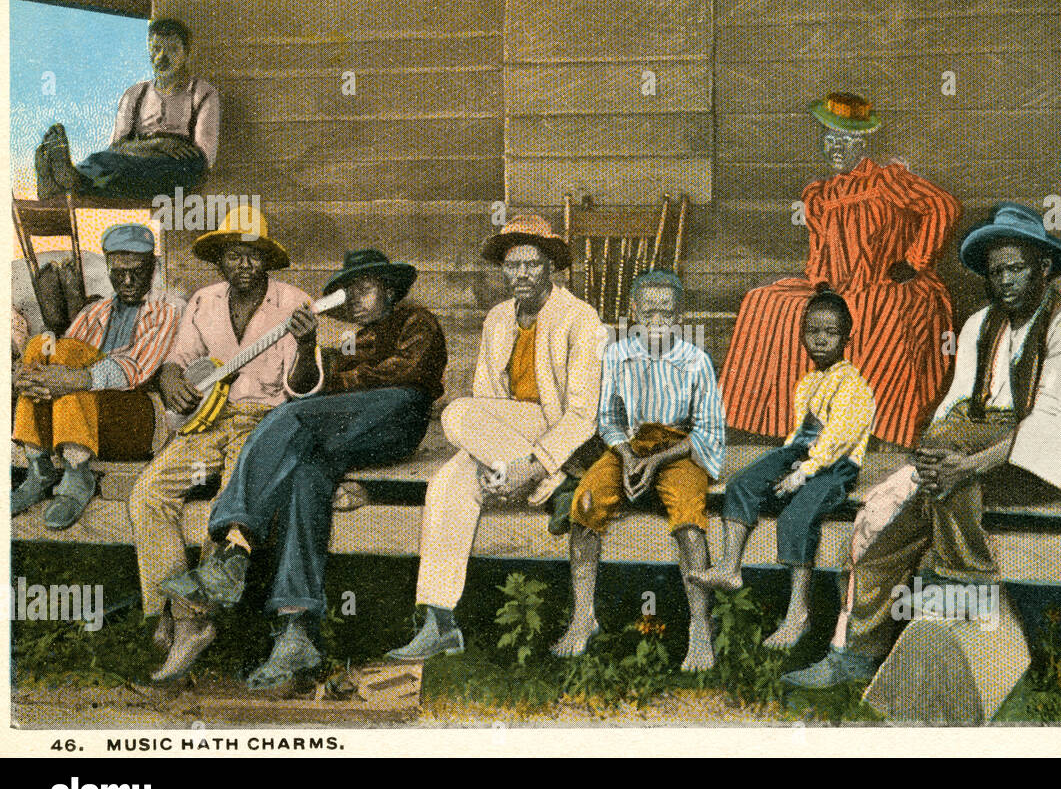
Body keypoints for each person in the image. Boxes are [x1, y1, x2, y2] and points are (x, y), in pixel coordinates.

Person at [783, 203, 1061, 689]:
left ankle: (965, 575)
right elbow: (953, 406)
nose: (1005, 281)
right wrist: (934, 459)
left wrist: (963, 463)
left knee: (944, 465)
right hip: (962, 456)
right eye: (996, 271)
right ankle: (855, 654)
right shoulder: (980, 323)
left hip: (1031, 460)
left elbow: (1048, 420)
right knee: (880, 522)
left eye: (1017, 269)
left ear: (1043, 268)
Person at [157, 249, 446, 690]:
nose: (354, 300)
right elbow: (309, 385)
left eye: (363, 288)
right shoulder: (351, 341)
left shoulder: (416, 320)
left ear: (388, 288)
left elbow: (413, 372)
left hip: (400, 416)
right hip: (353, 431)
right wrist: (309, 347)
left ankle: (234, 546)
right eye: (347, 293)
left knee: (286, 419)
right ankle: (296, 630)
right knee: (305, 474)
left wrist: (336, 385)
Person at [386, 214, 605, 662]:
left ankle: (550, 476)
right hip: (508, 440)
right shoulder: (498, 319)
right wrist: (501, 463)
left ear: (551, 268)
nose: (520, 274)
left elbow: (583, 415)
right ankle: (440, 621)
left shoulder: (581, 319)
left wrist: (531, 465)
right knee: (448, 482)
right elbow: (489, 401)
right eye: (511, 266)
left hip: (564, 438)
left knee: (456, 412)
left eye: (531, 264)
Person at [128, 206, 310, 683]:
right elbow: (178, 359)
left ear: (266, 259)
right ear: (221, 261)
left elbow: (304, 389)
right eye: (234, 255)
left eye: (253, 255)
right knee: (147, 494)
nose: (243, 265)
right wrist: (169, 379)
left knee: (230, 503)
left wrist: (308, 347)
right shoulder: (204, 301)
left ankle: (194, 619)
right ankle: (178, 612)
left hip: (264, 423)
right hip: (207, 419)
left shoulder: (295, 302)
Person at [719, 91, 959, 450]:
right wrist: (821, 282)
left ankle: (874, 428)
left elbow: (944, 206)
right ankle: (767, 422)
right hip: (841, 285)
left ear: (862, 143)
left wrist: (914, 261)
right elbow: (819, 250)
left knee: (876, 313)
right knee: (765, 302)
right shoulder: (821, 193)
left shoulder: (888, 180)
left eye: (844, 140)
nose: (835, 148)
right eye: (829, 139)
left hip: (890, 284)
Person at [552, 270, 726, 671]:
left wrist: (658, 460)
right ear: (633, 312)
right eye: (649, 311)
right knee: (587, 501)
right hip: (631, 447)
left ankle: (701, 626)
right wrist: (629, 456)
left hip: (679, 450)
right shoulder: (616, 355)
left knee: (688, 519)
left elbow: (709, 432)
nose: (658, 320)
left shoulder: (695, 361)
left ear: (680, 315)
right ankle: (583, 617)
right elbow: (609, 419)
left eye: (667, 312)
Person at [691, 287, 875, 650]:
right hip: (802, 452)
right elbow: (799, 434)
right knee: (743, 483)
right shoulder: (807, 382)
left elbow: (836, 440)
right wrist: (782, 464)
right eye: (812, 331)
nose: (820, 340)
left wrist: (800, 474)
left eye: (830, 333)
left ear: (846, 339)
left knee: (797, 515)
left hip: (836, 465)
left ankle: (798, 612)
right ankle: (730, 566)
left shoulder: (854, 387)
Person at [12, 223, 177, 529]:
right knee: (41, 343)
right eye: (117, 272)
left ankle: (77, 476)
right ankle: (38, 467)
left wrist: (76, 378)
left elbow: (135, 369)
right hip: (87, 414)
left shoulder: (164, 314)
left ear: (152, 268)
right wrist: (26, 374)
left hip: (134, 416)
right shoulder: (94, 312)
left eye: (136, 271)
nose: (126, 281)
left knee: (69, 366)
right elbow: (61, 353)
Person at [37, 18, 218, 201]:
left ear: (186, 53)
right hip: (137, 161)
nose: (162, 57)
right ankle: (56, 180)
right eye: (156, 49)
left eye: (172, 50)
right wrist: (156, 145)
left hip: (178, 168)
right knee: (103, 159)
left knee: (181, 166)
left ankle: (71, 181)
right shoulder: (135, 93)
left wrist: (165, 153)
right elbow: (117, 147)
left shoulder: (202, 93)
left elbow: (204, 158)